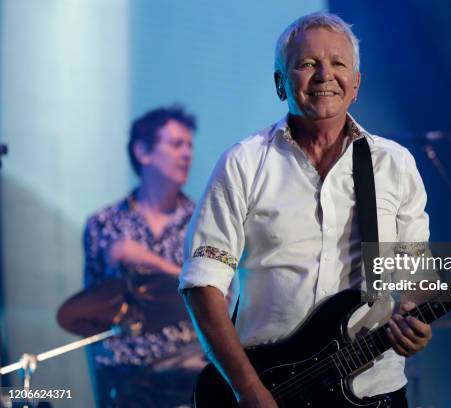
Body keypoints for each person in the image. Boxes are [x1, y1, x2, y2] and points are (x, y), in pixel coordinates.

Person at [181, 12, 432, 408]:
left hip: (374, 391)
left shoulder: (394, 165)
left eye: (337, 64)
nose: (324, 76)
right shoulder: (243, 163)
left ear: (356, 84)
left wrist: (415, 318)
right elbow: (203, 284)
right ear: (281, 83)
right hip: (268, 388)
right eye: (307, 64)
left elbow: (415, 268)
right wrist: (248, 389)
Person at [83, 104, 202, 407]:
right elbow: (87, 313)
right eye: (176, 145)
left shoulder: (202, 220)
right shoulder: (105, 223)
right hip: (123, 369)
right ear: (143, 152)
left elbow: (220, 296)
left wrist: (151, 261)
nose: (187, 154)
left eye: (189, 146)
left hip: (183, 368)